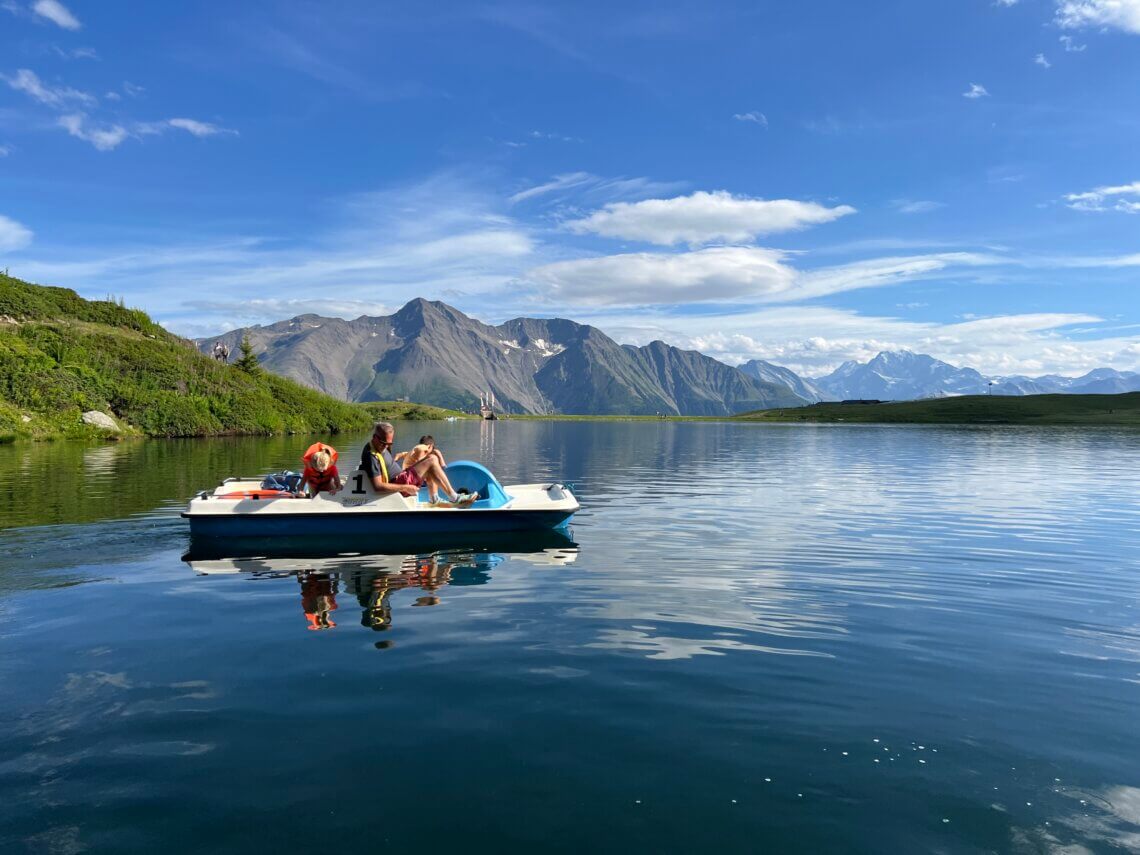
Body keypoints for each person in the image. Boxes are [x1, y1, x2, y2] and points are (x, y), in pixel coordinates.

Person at [361, 421, 471, 504]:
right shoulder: (371, 455)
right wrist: (406, 487)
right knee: (431, 460)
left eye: (389, 444)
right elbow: (378, 486)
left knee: (431, 460)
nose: (386, 446)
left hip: (402, 478)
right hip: (399, 483)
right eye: (384, 443)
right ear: (375, 437)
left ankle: (434, 498)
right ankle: (454, 497)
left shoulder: (378, 445)